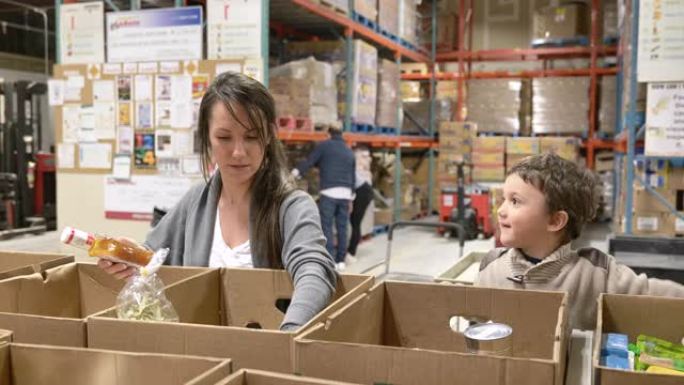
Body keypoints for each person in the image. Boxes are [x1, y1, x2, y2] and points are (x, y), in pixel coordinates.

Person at [99, 72, 337, 331]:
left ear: (268, 136)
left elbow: (315, 270)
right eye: (224, 138)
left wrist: (289, 333)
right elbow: (154, 257)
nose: (238, 152)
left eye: (251, 137)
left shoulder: (292, 207)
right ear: (208, 138)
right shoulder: (195, 202)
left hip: (267, 355)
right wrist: (131, 258)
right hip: (200, 351)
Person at [476, 153, 684, 330]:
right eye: (503, 199)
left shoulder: (596, 273)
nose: (501, 210)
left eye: (515, 201)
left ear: (555, 220)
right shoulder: (492, 267)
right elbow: (470, 315)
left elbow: (651, 293)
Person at [292, 127, 355, 272]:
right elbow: (352, 175)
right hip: (345, 194)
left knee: (326, 226)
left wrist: (294, 172)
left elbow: (310, 161)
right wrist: (351, 197)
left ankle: (330, 260)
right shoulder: (348, 151)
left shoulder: (324, 146)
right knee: (342, 227)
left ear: (328, 134)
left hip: (329, 192)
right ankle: (341, 261)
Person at [346, 145, 374, 262]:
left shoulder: (347, 167)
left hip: (363, 191)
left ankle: (351, 253)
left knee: (355, 222)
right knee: (355, 222)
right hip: (363, 190)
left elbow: (351, 184)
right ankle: (351, 250)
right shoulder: (349, 164)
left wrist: (350, 200)